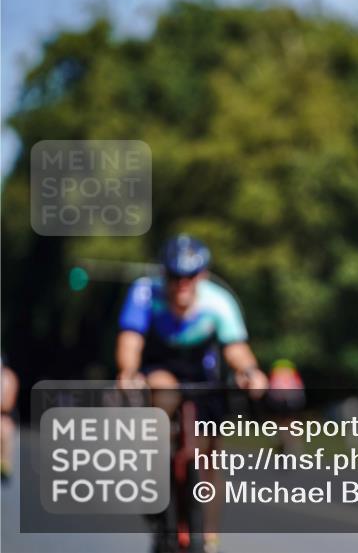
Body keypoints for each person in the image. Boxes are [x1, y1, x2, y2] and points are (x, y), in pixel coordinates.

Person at [116, 234, 268, 553]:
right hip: (161, 369)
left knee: (209, 456)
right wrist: (128, 372)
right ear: (164, 273)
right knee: (162, 391)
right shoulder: (145, 293)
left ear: (203, 275)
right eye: (174, 276)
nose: (181, 284)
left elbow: (236, 348)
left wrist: (250, 372)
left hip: (202, 376)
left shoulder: (218, 302)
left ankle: (208, 535)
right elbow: (131, 340)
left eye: (190, 276)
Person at [0, 356, 18, 484]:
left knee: (5, 427)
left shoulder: (8, 378)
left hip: (3, 417)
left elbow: (7, 405)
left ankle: (4, 463)